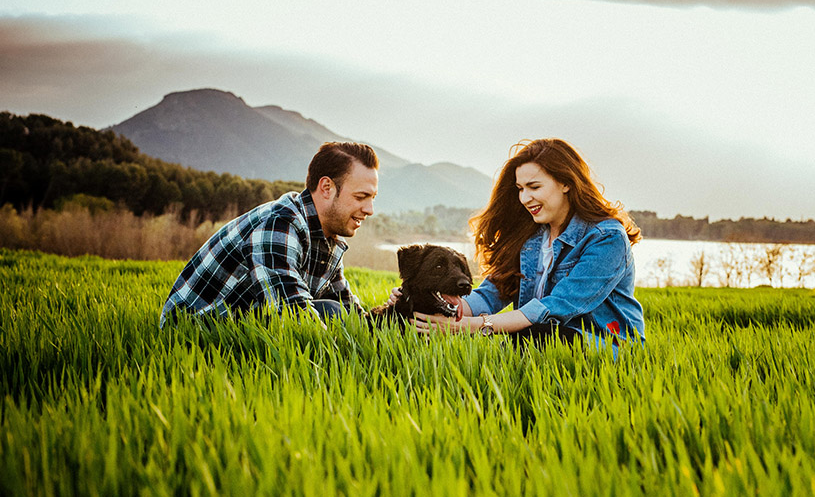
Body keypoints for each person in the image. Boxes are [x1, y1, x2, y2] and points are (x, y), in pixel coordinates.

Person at [412, 138, 644, 347]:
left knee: (531, 338)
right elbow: (488, 296)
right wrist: (423, 301)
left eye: (534, 187)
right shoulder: (529, 237)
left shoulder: (606, 238)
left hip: (605, 344)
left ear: (566, 183)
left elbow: (554, 308)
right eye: (520, 189)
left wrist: (466, 328)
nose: (524, 198)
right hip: (541, 335)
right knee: (524, 340)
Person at [160, 141, 379, 327]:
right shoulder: (279, 225)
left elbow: (352, 316)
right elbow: (292, 314)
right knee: (331, 314)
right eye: (361, 197)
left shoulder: (326, 237)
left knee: (337, 312)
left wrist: (398, 315)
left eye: (372, 198)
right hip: (192, 333)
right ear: (326, 188)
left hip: (243, 325)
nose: (369, 209)